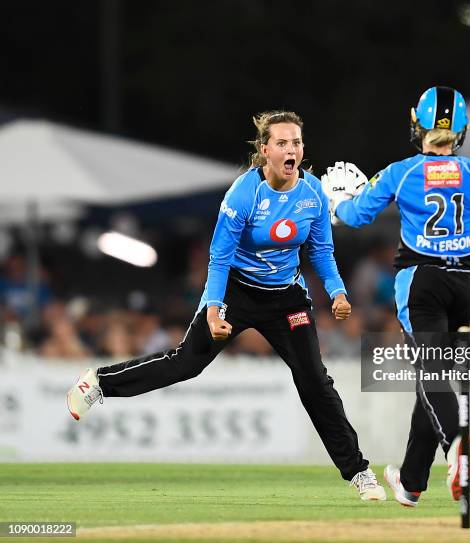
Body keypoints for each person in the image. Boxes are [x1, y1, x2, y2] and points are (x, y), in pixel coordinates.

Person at [66, 110, 386, 501]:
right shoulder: (243, 194)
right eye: (282, 143)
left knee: (314, 381)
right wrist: (215, 308)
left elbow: (320, 250)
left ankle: (359, 472)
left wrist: (337, 291)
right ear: (265, 150)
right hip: (236, 291)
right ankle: (99, 382)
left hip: (287, 298)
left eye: (297, 142)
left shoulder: (313, 193)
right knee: (187, 363)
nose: (291, 149)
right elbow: (219, 257)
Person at [321, 86, 470, 506]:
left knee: (431, 377)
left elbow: (356, 215)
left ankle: (457, 445)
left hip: (420, 279)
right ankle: (411, 483)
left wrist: (337, 201)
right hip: (467, 283)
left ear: (419, 124)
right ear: (461, 129)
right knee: (432, 381)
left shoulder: (403, 172)